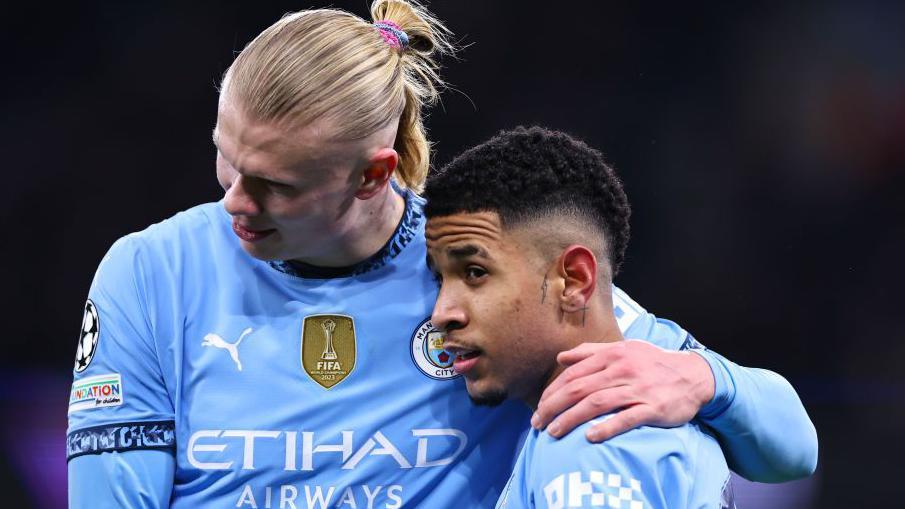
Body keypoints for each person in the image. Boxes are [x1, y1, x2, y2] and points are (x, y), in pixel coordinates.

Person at [67, 2, 816, 507]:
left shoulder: (489, 270)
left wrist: (701, 379)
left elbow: (791, 446)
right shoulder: (151, 272)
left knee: (643, 428)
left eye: (275, 185)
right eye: (226, 160)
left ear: (374, 175)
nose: (233, 198)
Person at [422, 126, 743, 508]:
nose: (442, 313)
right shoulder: (654, 405)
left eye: (475, 272)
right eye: (440, 278)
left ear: (573, 280)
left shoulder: (590, 443)